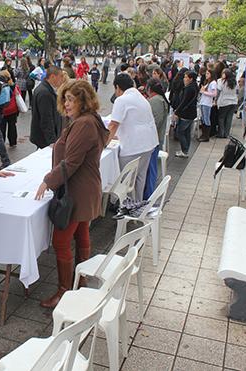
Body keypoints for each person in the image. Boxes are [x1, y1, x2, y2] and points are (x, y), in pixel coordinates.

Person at [35, 80, 109, 308]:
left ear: (83, 101)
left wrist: (48, 181)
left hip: (78, 190)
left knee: (61, 240)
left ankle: (64, 291)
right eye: (64, 99)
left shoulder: (84, 123)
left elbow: (72, 161)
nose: (66, 104)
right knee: (81, 232)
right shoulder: (88, 120)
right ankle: (81, 280)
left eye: (71, 99)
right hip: (83, 187)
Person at [107, 73, 159, 200]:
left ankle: (123, 205)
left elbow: (113, 125)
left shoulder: (122, 100)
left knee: (125, 179)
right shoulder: (140, 97)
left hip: (134, 147)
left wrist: (104, 142)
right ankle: (137, 204)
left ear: (118, 87)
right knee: (140, 177)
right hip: (149, 144)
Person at [144, 78, 169, 199]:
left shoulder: (156, 101)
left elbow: (154, 122)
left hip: (153, 140)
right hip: (155, 139)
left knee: (151, 169)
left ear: (149, 89)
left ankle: (149, 194)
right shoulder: (159, 99)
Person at [30, 66, 65, 149]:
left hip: (44, 136)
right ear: (53, 77)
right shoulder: (44, 92)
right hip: (44, 138)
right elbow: (46, 119)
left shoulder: (46, 89)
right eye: (61, 77)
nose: (62, 79)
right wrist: (52, 141)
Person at [173, 71, 199, 157]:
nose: (184, 79)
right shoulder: (194, 87)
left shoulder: (189, 88)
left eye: (186, 77)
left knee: (180, 132)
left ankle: (185, 150)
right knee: (186, 132)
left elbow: (184, 102)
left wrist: (177, 112)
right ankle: (186, 150)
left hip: (186, 113)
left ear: (191, 79)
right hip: (190, 113)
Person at [0, 70, 19, 147]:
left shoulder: (0, 86)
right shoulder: (14, 86)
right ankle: (13, 142)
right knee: (12, 126)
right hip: (13, 109)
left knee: (2, 128)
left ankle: (2, 143)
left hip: (3, 109)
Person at [216, 68, 238, 137]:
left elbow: (218, 92)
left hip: (224, 102)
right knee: (229, 118)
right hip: (233, 102)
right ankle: (226, 134)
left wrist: (216, 100)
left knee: (221, 118)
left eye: (223, 73)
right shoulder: (234, 82)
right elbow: (237, 92)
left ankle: (221, 133)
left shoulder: (221, 81)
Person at [198, 69, 217, 142]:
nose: (206, 75)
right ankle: (203, 134)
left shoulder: (213, 83)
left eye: (208, 74)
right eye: (206, 73)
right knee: (203, 118)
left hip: (207, 103)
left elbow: (214, 94)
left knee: (206, 119)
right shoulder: (207, 82)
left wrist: (204, 92)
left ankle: (206, 135)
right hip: (203, 102)